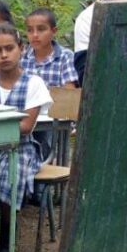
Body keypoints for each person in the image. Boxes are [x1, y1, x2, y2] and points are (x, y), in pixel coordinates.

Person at [0, 22, 52, 252]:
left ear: (20, 48)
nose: (4, 55)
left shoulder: (34, 83)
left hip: (22, 148)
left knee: (11, 176)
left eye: (9, 48)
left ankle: (8, 234)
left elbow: (25, 127)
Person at [22, 8, 79, 162]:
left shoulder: (64, 57)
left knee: (44, 144)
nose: (35, 35)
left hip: (54, 120)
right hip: (27, 117)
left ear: (53, 31)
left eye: (41, 29)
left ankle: (38, 169)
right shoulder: (22, 59)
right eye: (30, 30)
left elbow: (69, 91)